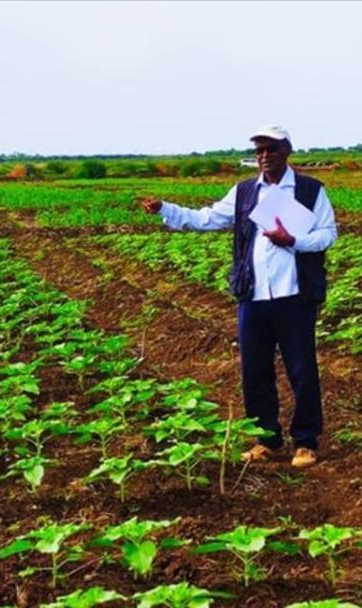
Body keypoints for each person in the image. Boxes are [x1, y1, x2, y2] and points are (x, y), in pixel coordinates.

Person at [141, 125, 337, 468]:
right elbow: (207, 218)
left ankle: (305, 442)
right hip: (253, 295)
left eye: (271, 149)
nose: (264, 156)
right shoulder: (245, 192)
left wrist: (292, 241)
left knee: (302, 368)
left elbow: (327, 235)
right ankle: (267, 439)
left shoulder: (309, 191)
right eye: (259, 150)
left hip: (294, 295)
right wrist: (164, 209)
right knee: (255, 370)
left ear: (287, 151)